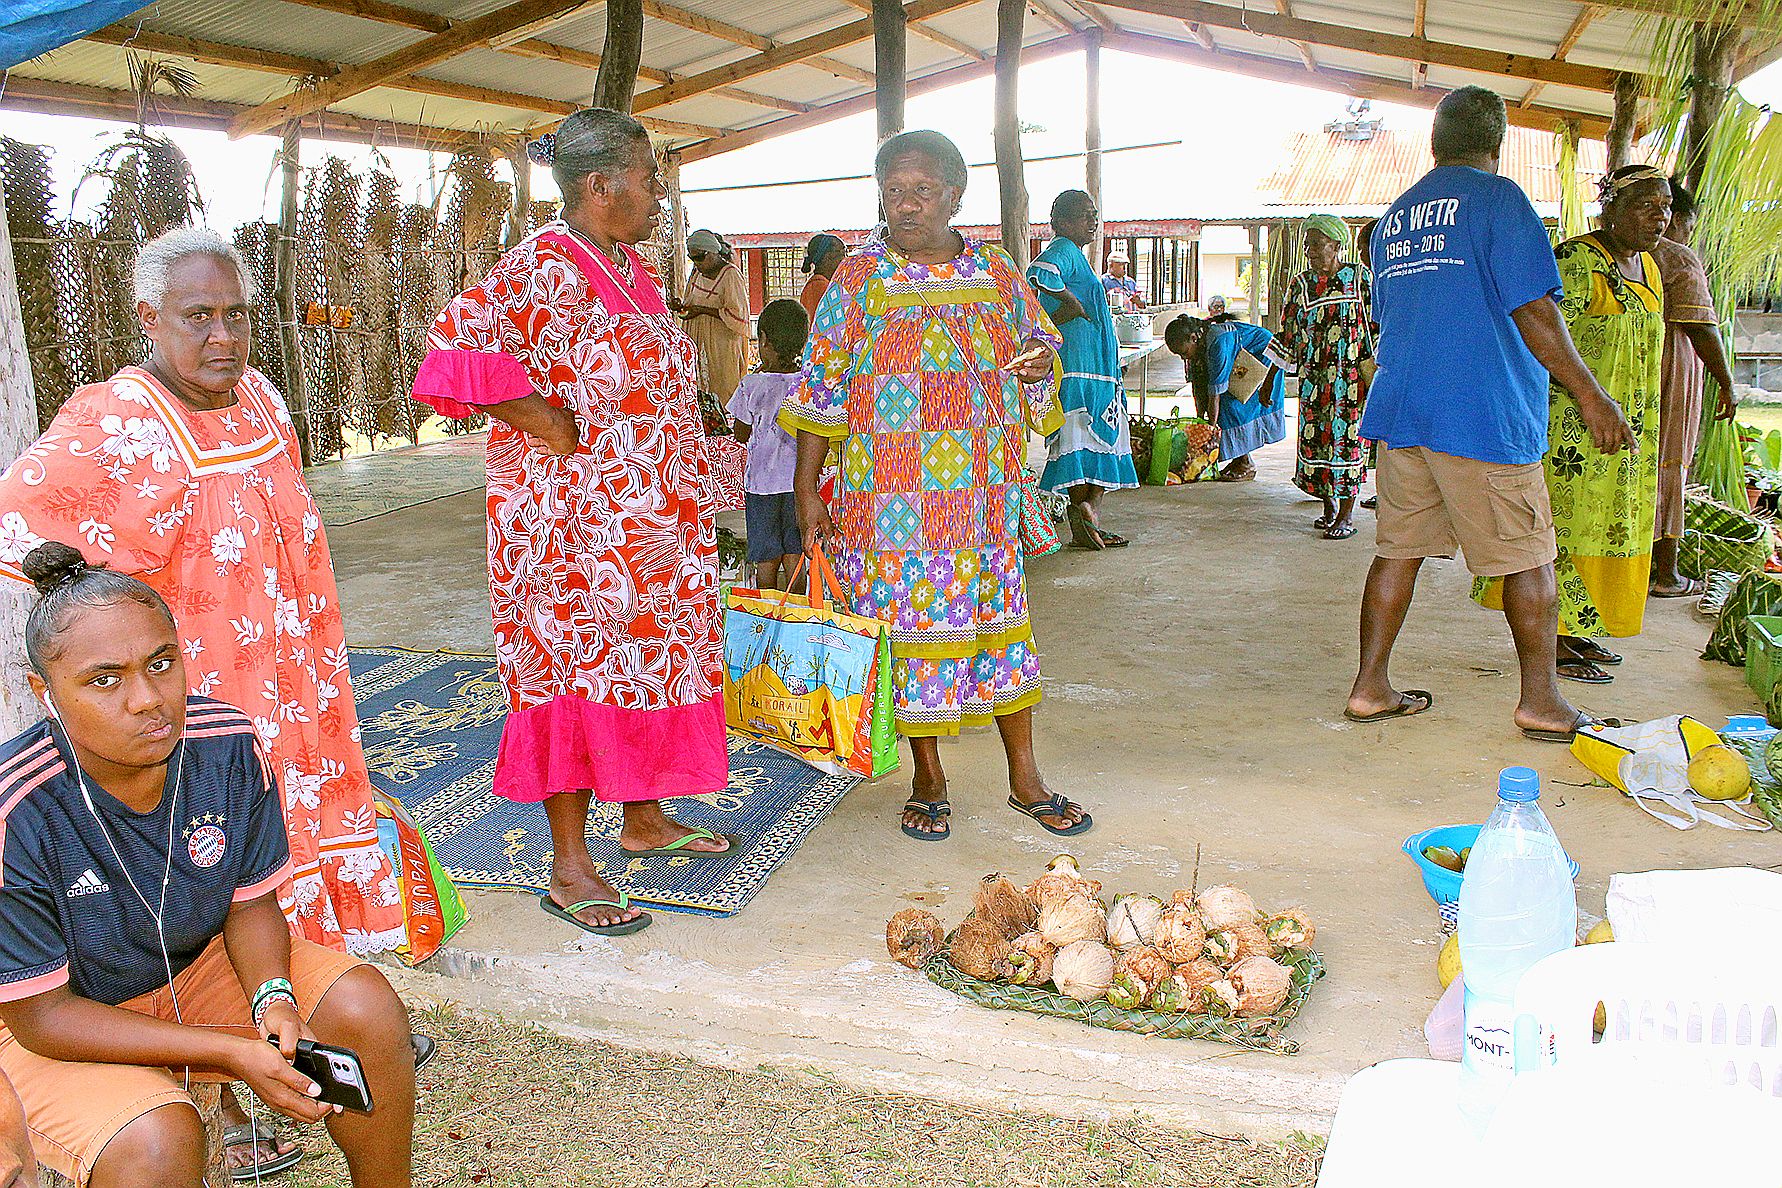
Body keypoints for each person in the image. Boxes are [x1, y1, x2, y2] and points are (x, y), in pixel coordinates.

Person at [0, 227, 406, 1175]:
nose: (222, 336)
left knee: (263, 881)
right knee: (189, 870)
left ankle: (288, 1044)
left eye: (235, 315)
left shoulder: (261, 397)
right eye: (197, 317)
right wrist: (115, 632)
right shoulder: (116, 417)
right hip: (190, 696)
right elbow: (23, 516)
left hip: (288, 689)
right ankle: (224, 1103)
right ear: (148, 318)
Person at [411, 108, 735, 939]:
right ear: (600, 187)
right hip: (572, 534)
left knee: (643, 662)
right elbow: (450, 350)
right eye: (649, 178)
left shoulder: (625, 263)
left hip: (645, 525)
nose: (660, 193)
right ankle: (568, 865)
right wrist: (542, 421)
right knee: (575, 671)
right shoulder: (542, 267)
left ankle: (644, 818)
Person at [0, 542, 415, 1188]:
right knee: (157, 1140)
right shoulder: (16, 810)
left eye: (161, 663)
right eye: (104, 679)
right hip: (46, 1023)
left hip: (193, 971)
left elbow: (249, 903)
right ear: (44, 693)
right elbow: (42, 1016)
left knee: (365, 1009)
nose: (147, 700)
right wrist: (230, 1050)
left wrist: (272, 998)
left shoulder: (225, 745)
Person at [781, 129, 1091, 842]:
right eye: (893, 191)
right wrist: (807, 493)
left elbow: (1040, 340)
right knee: (910, 637)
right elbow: (821, 388)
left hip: (978, 499)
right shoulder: (856, 279)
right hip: (885, 504)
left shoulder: (998, 269)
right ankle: (928, 777)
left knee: (1002, 629)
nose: (906, 205)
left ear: (956, 195)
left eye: (922, 191)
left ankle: (1025, 778)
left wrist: (1042, 359)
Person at [1346, 86, 1634, 740]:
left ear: (1435, 143)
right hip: (1480, 412)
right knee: (1530, 557)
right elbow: (1534, 307)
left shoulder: (1396, 217)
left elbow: (1392, 320)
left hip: (1403, 412)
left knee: (1397, 553)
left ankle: (1369, 686)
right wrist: (1590, 393)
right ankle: (1542, 702)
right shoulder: (1498, 199)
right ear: (1497, 141)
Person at [1474, 165, 1671, 683]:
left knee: (1605, 527)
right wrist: (1587, 397)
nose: (1660, 216)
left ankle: (1578, 630)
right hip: (1573, 428)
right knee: (1562, 530)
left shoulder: (1648, 267)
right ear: (1609, 206)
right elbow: (1534, 332)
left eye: (1666, 206)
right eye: (1645, 205)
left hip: (1627, 426)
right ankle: (1554, 639)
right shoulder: (1578, 262)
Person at [1027, 190, 1139, 550]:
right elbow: (1038, 271)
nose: (1092, 221)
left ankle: (1088, 514)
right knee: (1083, 440)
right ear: (1061, 222)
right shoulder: (1064, 250)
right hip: (1081, 370)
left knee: (1095, 442)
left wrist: (1067, 308)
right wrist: (1069, 301)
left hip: (1097, 369)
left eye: (1094, 214)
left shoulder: (1078, 258)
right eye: (1085, 214)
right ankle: (1084, 513)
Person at [1650, 177, 1738, 597]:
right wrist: (1726, 381)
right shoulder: (1678, 258)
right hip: (1670, 368)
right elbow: (1702, 328)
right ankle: (1664, 572)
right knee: (1670, 464)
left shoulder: (1614, 253)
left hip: (1636, 368)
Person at [1281, 214, 1375, 540]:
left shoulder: (1361, 279)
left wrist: (1379, 372)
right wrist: (1270, 378)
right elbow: (1288, 332)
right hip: (1315, 380)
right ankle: (1328, 508)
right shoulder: (1301, 284)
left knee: (1347, 443)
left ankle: (1347, 515)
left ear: (1336, 245)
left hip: (1350, 382)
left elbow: (1376, 327)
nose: (1310, 252)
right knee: (1318, 441)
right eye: (1307, 246)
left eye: (1316, 245)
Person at [728, 299, 810, 591]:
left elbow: (740, 432)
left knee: (766, 556)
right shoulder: (807, 383)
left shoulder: (751, 384)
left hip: (761, 485)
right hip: (799, 484)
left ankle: (764, 615)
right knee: (795, 552)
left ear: (762, 340)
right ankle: (796, 614)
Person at [1163, 312, 1287, 483]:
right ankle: (1239, 460)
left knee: (1231, 404)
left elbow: (1215, 395)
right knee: (1227, 404)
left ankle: (1245, 463)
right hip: (1243, 359)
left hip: (1262, 355)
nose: (1184, 357)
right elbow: (1199, 389)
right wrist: (1200, 420)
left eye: (1184, 352)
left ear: (1193, 338)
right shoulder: (1198, 347)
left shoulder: (1218, 343)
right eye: (1179, 355)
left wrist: (1209, 432)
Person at [673, 227, 750, 401]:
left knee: (724, 391)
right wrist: (681, 307)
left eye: (700, 257)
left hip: (722, 347)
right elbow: (690, 303)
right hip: (698, 343)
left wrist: (702, 310)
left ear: (713, 252)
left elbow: (738, 316)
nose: (697, 263)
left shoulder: (730, 275)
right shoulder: (697, 273)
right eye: (692, 259)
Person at [799, 233, 847, 321]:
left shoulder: (823, 284)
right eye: (842, 254)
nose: (845, 260)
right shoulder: (818, 287)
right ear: (827, 258)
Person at [1101, 246, 1145, 312]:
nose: (1124, 267)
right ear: (1111, 265)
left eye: (1125, 264)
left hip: (1131, 319)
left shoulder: (1130, 282)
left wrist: (1139, 301)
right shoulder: (1104, 281)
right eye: (1121, 264)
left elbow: (1143, 303)